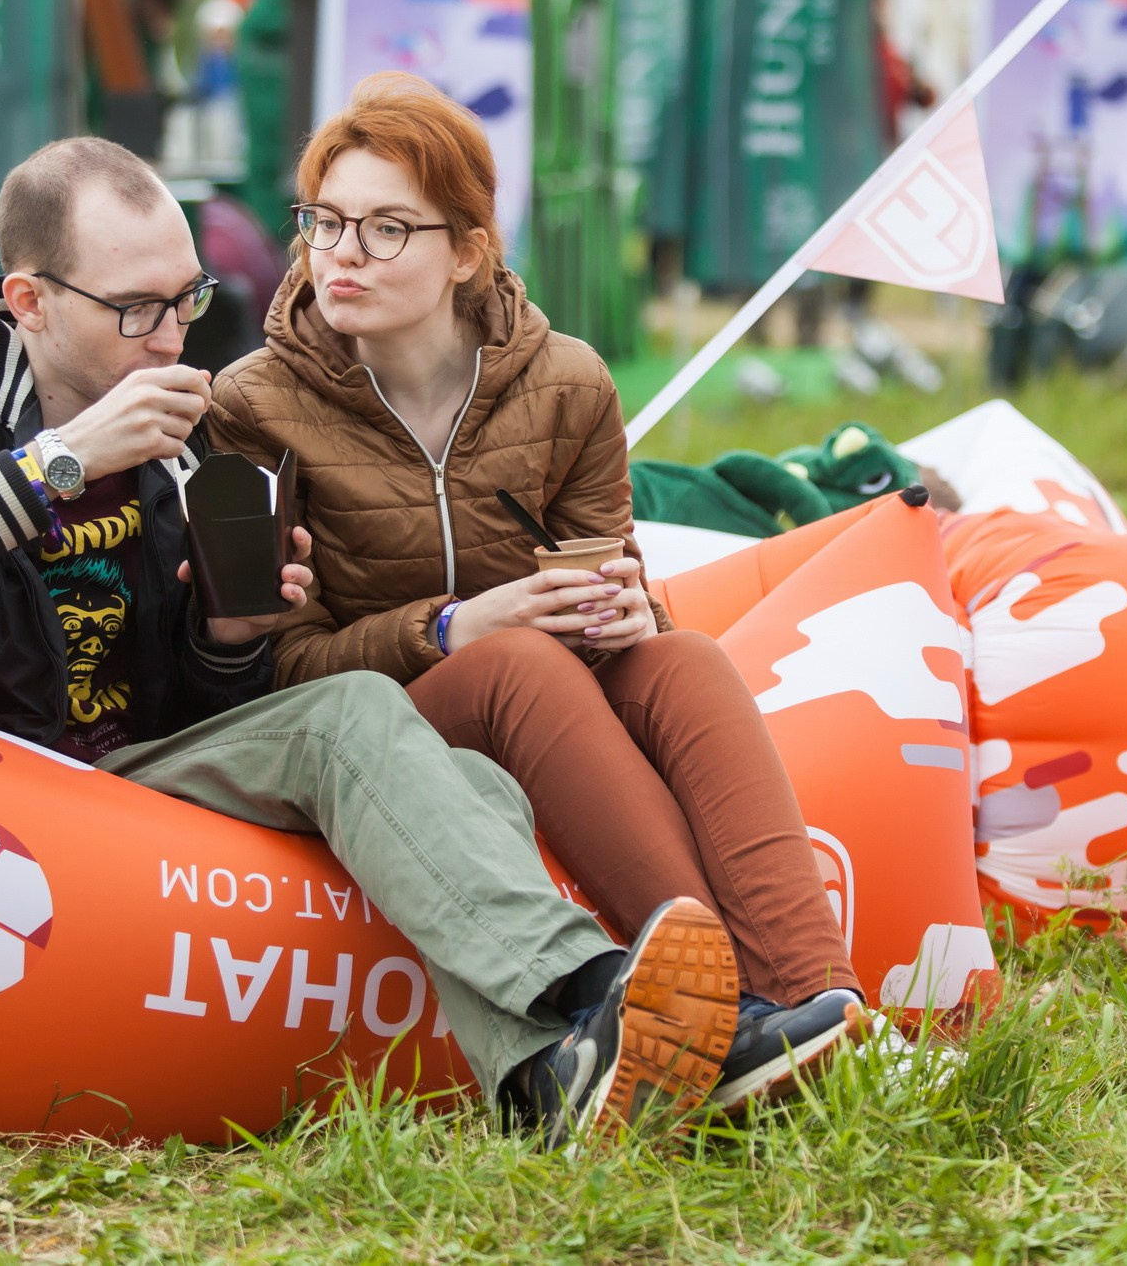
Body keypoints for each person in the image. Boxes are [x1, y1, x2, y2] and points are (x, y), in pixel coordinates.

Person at [0, 138, 743, 1148]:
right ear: (30, 299)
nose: (169, 337)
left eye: (187, 297)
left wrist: (229, 634)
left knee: (469, 784)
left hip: (126, 788)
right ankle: (593, 982)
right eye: (134, 308)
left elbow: (185, 704)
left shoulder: (180, 446)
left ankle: (547, 1078)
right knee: (352, 717)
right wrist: (58, 461)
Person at [207, 74, 867, 1118]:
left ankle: (820, 1000)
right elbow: (279, 666)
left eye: (385, 228)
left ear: (467, 249)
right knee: (512, 660)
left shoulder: (566, 382)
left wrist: (623, 610)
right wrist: (452, 627)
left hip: (548, 691)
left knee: (682, 654)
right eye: (324, 221)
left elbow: (607, 582)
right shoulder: (251, 406)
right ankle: (726, 1016)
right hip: (391, 715)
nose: (340, 254)